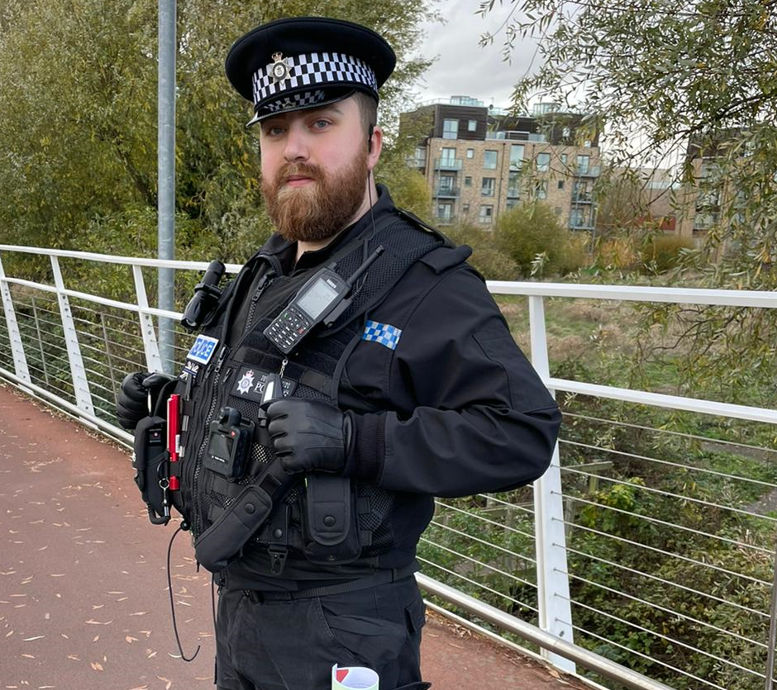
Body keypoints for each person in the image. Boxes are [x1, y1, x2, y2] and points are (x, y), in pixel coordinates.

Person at [116, 16, 561, 690]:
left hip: (344, 627)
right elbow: (256, 396)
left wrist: (358, 440)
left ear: (374, 144)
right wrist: (171, 404)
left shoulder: (425, 284)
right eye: (274, 131)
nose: (294, 148)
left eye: (320, 124)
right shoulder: (265, 275)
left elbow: (522, 434)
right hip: (241, 613)